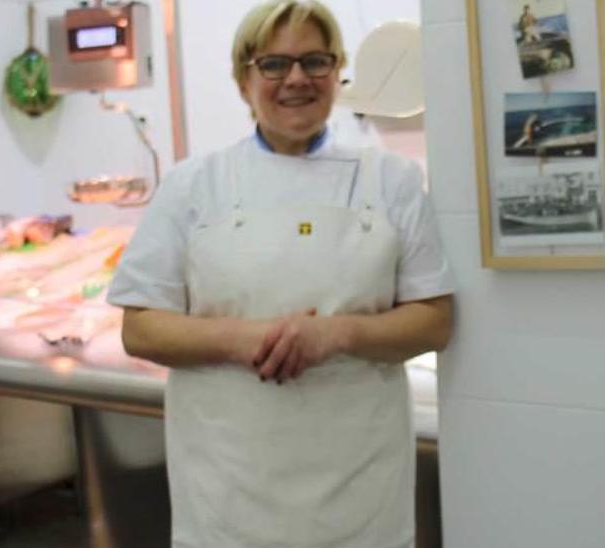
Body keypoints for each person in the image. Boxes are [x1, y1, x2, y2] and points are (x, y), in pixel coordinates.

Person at [105, 2, 455, 547]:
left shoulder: (393, 181)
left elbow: (433, 321)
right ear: (244, 80)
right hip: (228, 488)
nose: (296, 79)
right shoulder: (194, 186)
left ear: (337, 71)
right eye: (274, 64)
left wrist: (335, 333)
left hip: (359, 487)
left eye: (314, 61)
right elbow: (141, 328)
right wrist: (247, 339)